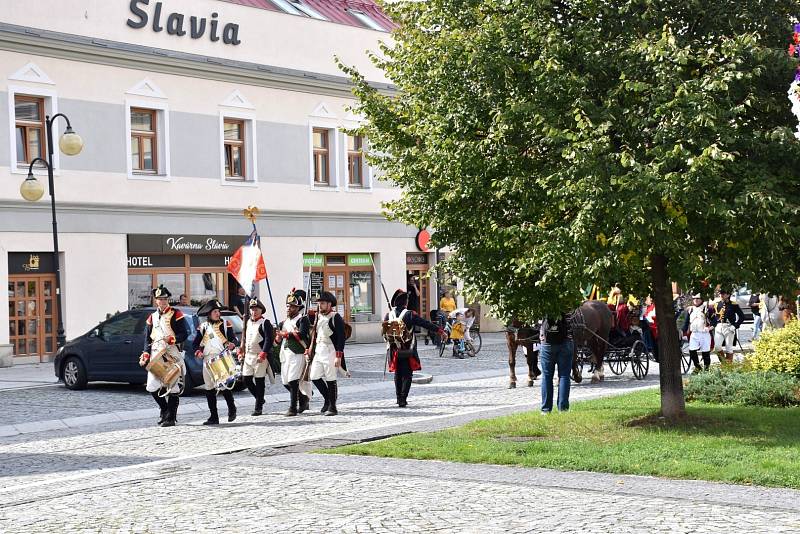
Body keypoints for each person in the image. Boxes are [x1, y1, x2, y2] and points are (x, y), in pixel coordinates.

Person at [140, 285, 190, 427]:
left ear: (168, 300)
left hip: (172, 353)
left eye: (164, 299)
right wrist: (145, 353)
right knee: (152, 386)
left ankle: (171, 418)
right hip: (156, 354)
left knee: (173, 387)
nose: (162, 301)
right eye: (160, 299)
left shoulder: (176, 313)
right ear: (156, 301)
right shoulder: (152, 317)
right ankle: (164, 409)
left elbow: (185, 333)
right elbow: (147, 339)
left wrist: (173, 339)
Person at [385, 289, 444, 407]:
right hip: (407, 349)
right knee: (407, 374)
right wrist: (440, 331)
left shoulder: (389, 314)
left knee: (398, 374)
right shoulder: (410, 314)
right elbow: (425, 324)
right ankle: (403, 398)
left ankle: (398, 398)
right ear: (406, 302)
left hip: (394, 349)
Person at [192, 299, 238, 425]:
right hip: (207, 360)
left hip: (221, 357)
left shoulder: (225, 324)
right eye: (215, 311)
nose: (218, 314)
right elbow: (195, 344)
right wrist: (198, 352)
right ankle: (214, 416)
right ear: (209, 314)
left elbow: (233, 338)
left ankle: (232, 409)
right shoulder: (202, 327)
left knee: (224, 385)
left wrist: (232, 344)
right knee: (209, 388)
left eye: (218, 311)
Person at [307, 291, 346, 416]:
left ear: (329, 304)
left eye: (322, 303)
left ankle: (333, 407)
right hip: (319, 349)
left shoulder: (335, 317)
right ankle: (327, 399)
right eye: (319, 303)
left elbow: (341, 338)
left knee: (331, 378)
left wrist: (338, 356)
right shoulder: (318, 316)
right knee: (314, 376)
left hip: (331, 350)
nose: (320, 306)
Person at [276, 289, 312, 416]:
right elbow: (278, 339)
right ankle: (303, 399)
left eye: (292, 306)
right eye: (288, 306)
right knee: (285, 381)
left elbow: (302, 334)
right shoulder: (283, 322)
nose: (289, 308)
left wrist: (286, 334)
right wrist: (278, 337)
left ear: (298, 308)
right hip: (285, 353)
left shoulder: (303, 320)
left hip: (297, 352)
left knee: (293, 380)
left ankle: (292, 407)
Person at [238, 298, 274, 416]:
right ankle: (260, 398)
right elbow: (244, 338)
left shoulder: (265, 322)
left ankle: (258, 407)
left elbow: (269, 340)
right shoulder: (248, 322)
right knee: (246, 379)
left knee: (259, 381)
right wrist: (241, 350)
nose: (254, 312)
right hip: (249, 355)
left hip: (259, 355)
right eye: (252, 309)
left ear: (261, 310)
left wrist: (263, 354)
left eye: (256, 309)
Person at [539, 314, 574, 414]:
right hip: (565, 343)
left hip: (547, 344)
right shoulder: (569, 302)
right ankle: (563, 409)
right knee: (564, 376)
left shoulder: (543, 303)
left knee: (546, 377)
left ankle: (546, 410)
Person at [711, 288, 745, 363]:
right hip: (719, 327)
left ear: (728, 295)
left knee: (729, 347)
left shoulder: (734, 305)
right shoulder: (717, 304)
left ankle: (728, 366)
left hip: (729, 327)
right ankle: (724, 362)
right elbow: (713, 316)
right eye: (721, 293)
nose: (721, 295)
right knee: (717, 347)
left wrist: (735, 326)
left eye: (723, 293)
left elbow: (742, 317)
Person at [682, 293, 712, 372]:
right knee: (692, 350)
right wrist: (682, 331)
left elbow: (715, 320)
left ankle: (706, 369)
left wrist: (710, 327)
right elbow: (686, 322)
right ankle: (697, 367)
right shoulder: (690, 309)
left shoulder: (706, 308)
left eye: (698, 298)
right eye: (694, 298)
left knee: (705, 352)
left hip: (704, 333)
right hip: (694, 333)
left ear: (701, 300)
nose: (695, 300)